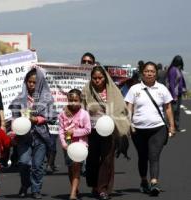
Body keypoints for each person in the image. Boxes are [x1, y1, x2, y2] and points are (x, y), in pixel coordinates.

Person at [124, 61, 175, 197]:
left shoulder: (162, 88)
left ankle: (154, 183)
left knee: (154, 155)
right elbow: (129, 107)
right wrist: (129, 124)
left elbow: (168, 108)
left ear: (156, 73)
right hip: (138, 129)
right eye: (147, 71)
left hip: (158, 128)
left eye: (152, 71)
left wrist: (172, 125)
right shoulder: (135, 89)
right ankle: (143, 181)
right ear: (142, 72)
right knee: (142, 156)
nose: (149, 73)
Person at [82, 66, 131, 200]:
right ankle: (94, 186)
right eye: (95, 78)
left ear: (105, 78)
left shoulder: (114, 91)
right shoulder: (86, 91)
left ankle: (103, 189)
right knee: (92, 159)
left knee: (107, 160)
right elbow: (81, 109)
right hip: (92, 130)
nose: (97, 81)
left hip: (110, 130)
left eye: (100, 78)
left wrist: (116, 120)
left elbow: (121, 108)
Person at [8, 68, 57, 199]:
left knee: (38, 165)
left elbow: (52, 117)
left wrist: (37, 119)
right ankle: (25, 184)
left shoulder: (47, 98)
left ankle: (36, 189)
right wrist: (13, 133)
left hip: (40, 136)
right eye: (29, 81)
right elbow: (14, 118)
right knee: (24, 163)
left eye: (34, 82)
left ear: (40, 83)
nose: (31, 84)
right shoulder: (19, 99)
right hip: (23, 137)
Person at [58, 89, 91, 200]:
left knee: (76, 168)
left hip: (80, 146)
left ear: (80, 100)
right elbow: (61, 130)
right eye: (70, 100)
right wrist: (63, 143)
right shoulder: (63, 114)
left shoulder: (84, 114)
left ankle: (72, 194)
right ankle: (74, 187)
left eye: (75, 100)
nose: (73, 102)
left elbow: (88, 130)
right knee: (70, 168)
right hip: (68, 145)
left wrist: (74, 132)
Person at [167, 55, 187, 132]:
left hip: (179, 93)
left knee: (177, 111)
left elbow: (181, 81)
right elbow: (171, 83)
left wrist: (184, 89)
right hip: (174, 94)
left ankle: (176, 126)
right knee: (173, 110)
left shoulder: (178, 70)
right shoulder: (172, 70)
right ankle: (171, 126)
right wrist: (173, 95)